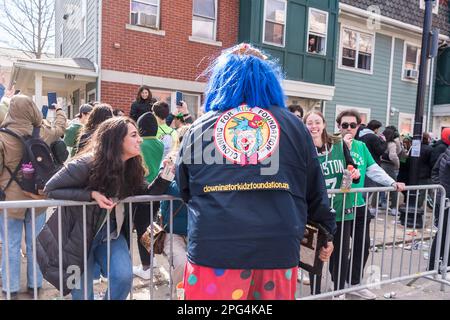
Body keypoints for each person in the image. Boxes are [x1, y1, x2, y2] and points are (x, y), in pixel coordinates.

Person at [176, 43, 336, 300]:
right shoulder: (295, 127)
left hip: (215, 247)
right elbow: (315, 189)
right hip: (277, 249)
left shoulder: (199, 128)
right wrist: (326, 230)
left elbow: (184, 186)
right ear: (270, 83)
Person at [36, 117, 174, 300]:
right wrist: (91, 195)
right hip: (76, 241)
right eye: (134, 135)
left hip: (110, 236)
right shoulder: (86, 163)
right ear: (117, 140)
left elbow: (145, 194)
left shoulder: (131, 167)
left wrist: (165, 175)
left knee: (124, 276)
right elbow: (50, 189)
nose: (140, 139)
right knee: (81, 295)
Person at [0, 95, 67, 299]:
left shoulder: (2, 137)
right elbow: (61, 129)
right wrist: (59, 111)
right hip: (37, 198)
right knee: (35, 244)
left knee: (10, 245)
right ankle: (35, 285)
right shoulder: (42, 132)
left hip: (10, 202)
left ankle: (10, 288)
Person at [334, 109, 405, 299]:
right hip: (340, 205)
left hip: (359, 203)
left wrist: (392, 182)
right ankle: (338, 288)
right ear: (338, 126)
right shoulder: (333, 145)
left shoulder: (362, 146)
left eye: (352, 125)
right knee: (340, 248)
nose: (348, 128)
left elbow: (373, 169)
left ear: (358, 127)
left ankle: (354, 283)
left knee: (362, 245)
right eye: (344, 125)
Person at [303, 110, 360, 295]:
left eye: (317, 122)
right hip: (315, 212)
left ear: (324, 124)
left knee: (341, 255)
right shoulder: (302, 148)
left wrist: (355, 173)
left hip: (341, 208)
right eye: (309, 123)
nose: (314, 126)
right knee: (315, 256)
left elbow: (351, 167)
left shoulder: (337, 144)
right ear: (304, 126)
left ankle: (339, 292)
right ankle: (315, 294)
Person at [132, 112, 165, 280]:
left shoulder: (140, 144)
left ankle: (146, 267)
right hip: (158, 189)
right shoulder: (160, 144)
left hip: (143, 190)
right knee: (151, 228)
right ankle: (152, 261)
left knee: (141, 230)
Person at [379, 126, 402, 215]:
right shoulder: (392, 143)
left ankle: (373, 207)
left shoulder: (382, 142)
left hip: (380, 164)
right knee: (394, 186)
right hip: (389, 165)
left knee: (378, 186)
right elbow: (393, 155)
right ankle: (394, 208)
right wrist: (397, 165)